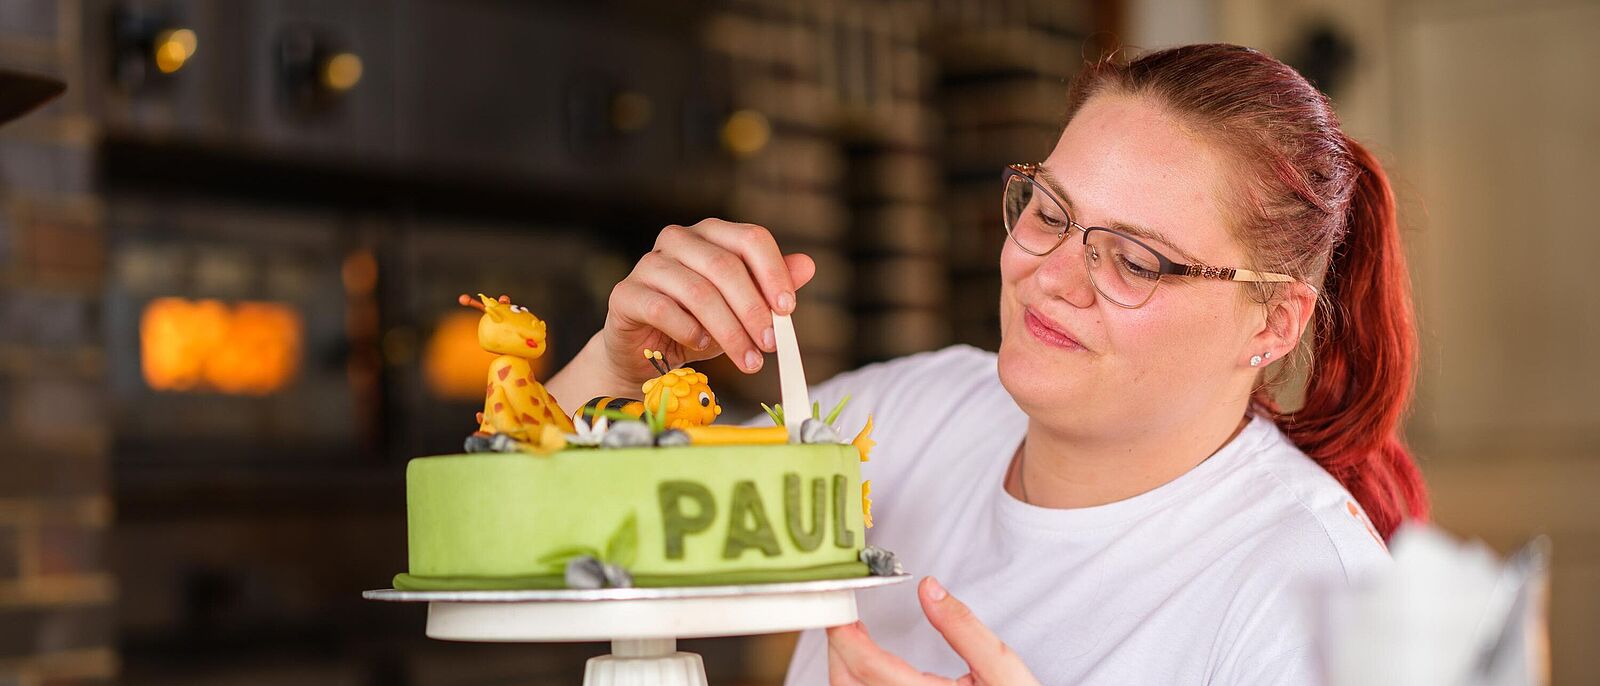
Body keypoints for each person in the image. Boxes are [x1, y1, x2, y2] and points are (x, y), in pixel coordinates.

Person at [546, 43, 1427, 685]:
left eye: (1134, 260)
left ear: (1273, 322)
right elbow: (555, 536)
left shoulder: (1316, 600)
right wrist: (619, 370)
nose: (1048, 277)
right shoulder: (915, 414)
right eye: (1049, 211)